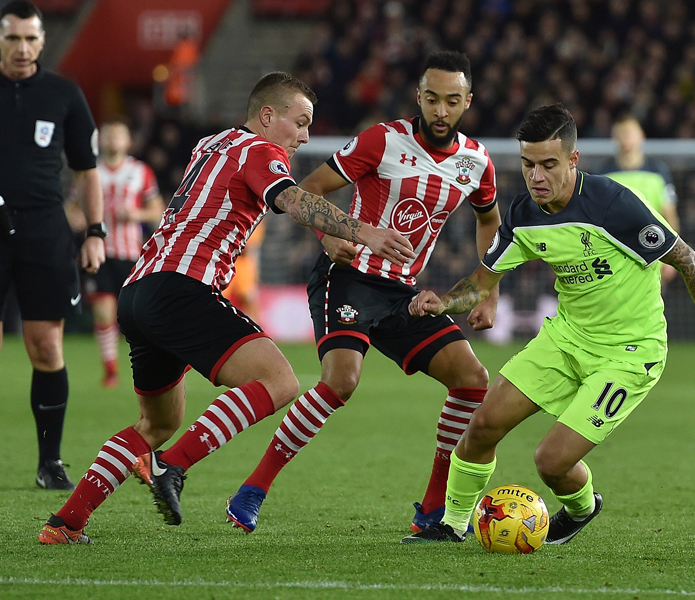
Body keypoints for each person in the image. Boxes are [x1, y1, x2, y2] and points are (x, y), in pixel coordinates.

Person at [38, 71, 414, 545]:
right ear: (266, 116)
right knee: (279, 382)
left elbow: (254, 198)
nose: (304, 135)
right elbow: (290, 198)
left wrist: (327, 233)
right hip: (182, 288)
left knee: (158, 422)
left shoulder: (213, 143)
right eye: (299, 123)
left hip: (139, 292)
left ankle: (66, 523)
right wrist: (364, 231)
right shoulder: (261, 150)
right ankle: (172, 465)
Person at [402, 104, 695, 545]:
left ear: (573, 160)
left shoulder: (613, 204)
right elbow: (481, 282)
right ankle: (450, 526)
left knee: (551, 462)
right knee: (483, 426)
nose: (537, 176)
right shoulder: (523, 215)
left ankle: (583, 508)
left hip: (630, 353)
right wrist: (443, 303)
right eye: (528, 165)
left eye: (549, 164)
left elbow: (688, 261)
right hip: (566, 339)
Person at [223, 50, 502, 534]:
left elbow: (489, 220)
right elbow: (308, 187)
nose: (440, 110)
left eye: (451, 101)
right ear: (418, 96)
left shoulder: (476, 162)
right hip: (349, 276)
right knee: (341, 381)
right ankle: (253, 488)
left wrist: (489, 291)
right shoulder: (383, 140)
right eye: (431, 98)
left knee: (473, 379)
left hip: (404, 292)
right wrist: (329, 236)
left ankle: (433, 509)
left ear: (467, 101)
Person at [0, 1, 104, 491]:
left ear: (42, 41)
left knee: (46, 345)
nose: (22, 48)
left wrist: (97, 232)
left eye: (30, 39)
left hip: (45, 230)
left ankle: (50, 462)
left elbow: (87, 170)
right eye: (12, 38)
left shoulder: (64, 94)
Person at [79, 118, 164, 388]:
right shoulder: (90, 172)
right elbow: (72, 208)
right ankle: (111, 371)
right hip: (100, 252)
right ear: (100, 140)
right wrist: (80, 219)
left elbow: (158, 211)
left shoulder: (141, 171)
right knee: (104, 312)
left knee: (136, 316)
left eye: (119, 135)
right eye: (108, 135)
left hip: (132, 255)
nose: (113, 140)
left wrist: (137, 214)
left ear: (128, 141)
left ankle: (150, 367)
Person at [596, 113, 680, 282]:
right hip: (614, 257)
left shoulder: (658, 172)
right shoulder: (603, 174)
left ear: (641, 136)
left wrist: (673, 257)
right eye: (621, 134)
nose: (625, 138)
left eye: (629, 133)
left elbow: (669, 215)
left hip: (652, 253)